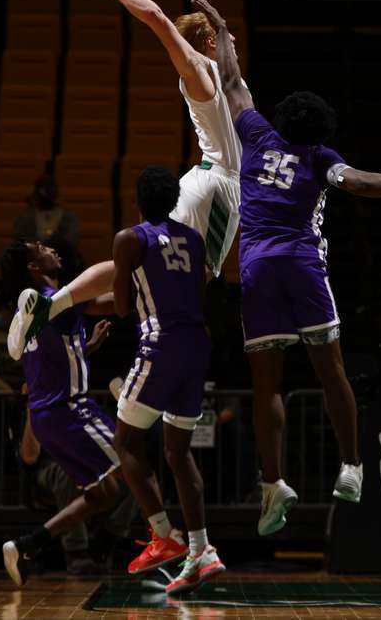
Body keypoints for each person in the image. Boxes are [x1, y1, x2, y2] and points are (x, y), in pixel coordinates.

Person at [196, 0, 381, 535]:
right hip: (302, 265)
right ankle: (351, 466)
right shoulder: (320, 158)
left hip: (256, 269)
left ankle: (272, 482)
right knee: (331, 371)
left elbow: (232, 80)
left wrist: (221, 27)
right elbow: (359, 183)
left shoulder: (257, 135)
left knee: (267, 386)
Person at [6, 0, 244, 354]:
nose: (231, 39)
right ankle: (154, 370)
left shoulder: (223, 73)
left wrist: (217, 25)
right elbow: (157, 18)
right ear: (206, 42)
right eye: (223, 37)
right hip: (218, 187)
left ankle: (56, 308)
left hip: (207, 180)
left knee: (148, 274)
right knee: (190, 278)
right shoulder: (200, 73)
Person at [110, 166, 226, 596]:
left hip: (159, 345)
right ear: (174, 201)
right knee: (178, 453)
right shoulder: (193, 240)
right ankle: (202, 550)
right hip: (197, 344)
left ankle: (163, 534)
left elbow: (122, 306)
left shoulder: (129, 238)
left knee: (125, 443)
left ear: (137, 202)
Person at [0, 240, 122, 587]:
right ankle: (172, 540)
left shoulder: (41, 310)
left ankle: (27, 546)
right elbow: (113, 303)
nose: (50, 247)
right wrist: (155, 291)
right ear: (34, 268)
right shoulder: (55, 300)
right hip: (68, 408)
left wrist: (87, 348)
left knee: (105, 493)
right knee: (135, 461)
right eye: (40, 247)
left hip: (46, 415)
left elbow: (55, 356)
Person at [18, 392, 138, 576]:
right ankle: (76, 552)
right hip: (49, 470)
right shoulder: (37, 405)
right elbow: (30, 457)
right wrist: (31, 408)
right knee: (68, 471)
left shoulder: (79, 403)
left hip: (88, 465)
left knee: (134, 476)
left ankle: (106, 540)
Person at [14, 173, 80, 250]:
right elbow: (20, 242)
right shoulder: (26, 218)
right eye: (44, 189)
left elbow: (70, 243)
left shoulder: (68, 218)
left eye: (50, 189)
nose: (47, 194)